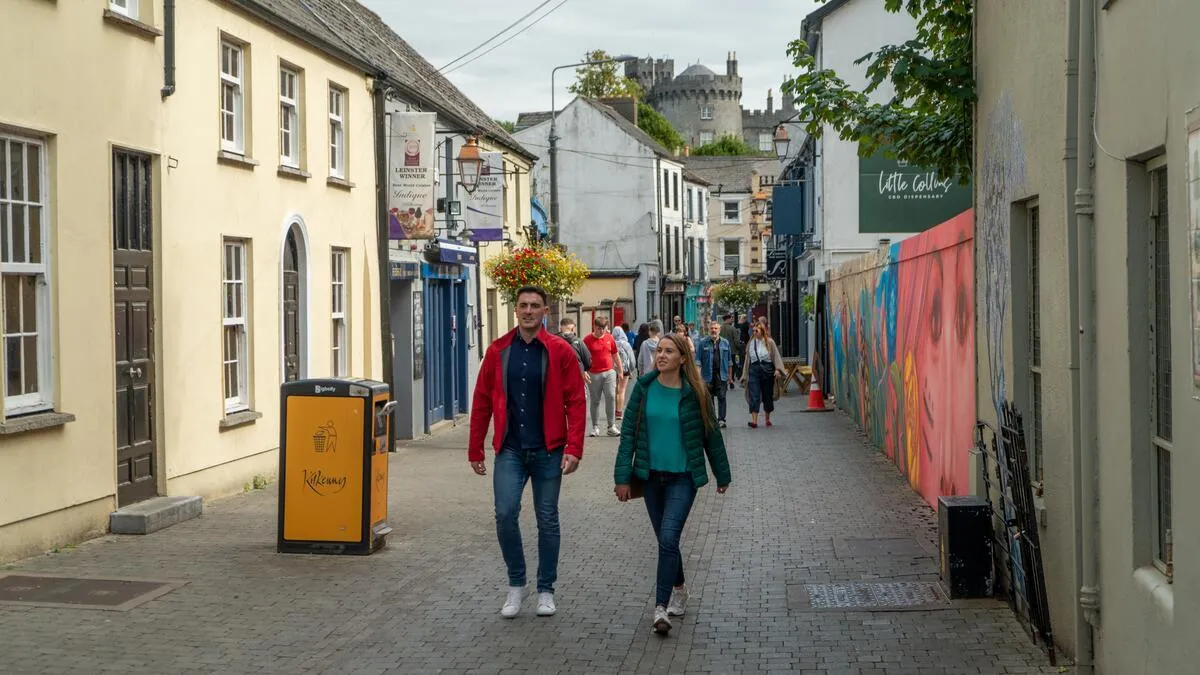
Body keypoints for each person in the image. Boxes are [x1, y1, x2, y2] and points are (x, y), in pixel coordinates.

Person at [469, 286, 587, 619]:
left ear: (545, 311)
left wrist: (574, 447)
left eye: (535, 306)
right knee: (505, 514)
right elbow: (481, 401)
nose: (529, 311)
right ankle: (516, 583)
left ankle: (546, 589)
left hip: (548, 450)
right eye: (523, 305)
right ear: (516, 310)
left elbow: (576, 401)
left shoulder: (560, 351)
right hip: (510, 450)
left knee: (547, 520)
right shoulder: (498, 351)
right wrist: (475, 447)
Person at [614, 333, 732, 635]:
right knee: (667, 541)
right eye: (659, 351)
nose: (661, 356)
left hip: (683, 478)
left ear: (682, 358)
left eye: (669, 351)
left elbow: (710, 436)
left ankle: (660, 607)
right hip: (650, 477)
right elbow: (628, 434)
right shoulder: (643, 388)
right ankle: (679, 587)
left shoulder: (696, 393)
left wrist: (722, 474)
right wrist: (621, 478)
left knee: (668, 538)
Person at [740, 322, 786, 428]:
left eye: (757, 330)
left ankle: (767, 419)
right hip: (754, 370)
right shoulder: (751, 343)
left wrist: (778, 370)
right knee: (754, 395)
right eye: (753, 331)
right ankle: (754, 421)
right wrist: (744, 375)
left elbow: (776, 357)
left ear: (762, 331)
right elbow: (748, 360)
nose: (754, 333)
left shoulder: (770, 342)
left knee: (767, 396)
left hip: (767, 371)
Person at [583, 316, 622, 437]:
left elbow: (615, 355)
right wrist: (584, 372)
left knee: (610, 397)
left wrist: (620, 370)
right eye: (599, 328)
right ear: (594, 327)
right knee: (595, 400)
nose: (601, 331)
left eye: (603, 328)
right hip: (593, 373)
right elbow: (583, 357)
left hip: (609, 372)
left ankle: (611, 426)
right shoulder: (587, 340)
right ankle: (595, 427)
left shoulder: (610, 338)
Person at [696, 321, 733, 428]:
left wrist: (730, 376)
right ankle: (712, 420)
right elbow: (698, 361)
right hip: (707, 375)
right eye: (712, 328)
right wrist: (698, 377)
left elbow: (730, 361)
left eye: (716, 328)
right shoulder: (703, 343)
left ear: (719, 330)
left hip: (722, 375)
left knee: (722, 397)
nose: (713, 330)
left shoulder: (725, 343)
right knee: (709, 399)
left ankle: (721, 419)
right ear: (709, 330)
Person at [613, 327, 637, 421]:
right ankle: (619, 412)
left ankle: (614, 410)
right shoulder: (626, 344)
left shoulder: (612, 343)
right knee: (622, 391)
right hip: (625, 370)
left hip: (613, 369)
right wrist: (631, 369)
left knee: (615, 391)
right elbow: (631, 359)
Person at [720, 314, 742, 387]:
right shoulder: (732, 329)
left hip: (721, 350)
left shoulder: (720, 328)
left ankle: (723, 380)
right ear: (728, 319)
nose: (732, 320)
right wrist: (739, 348)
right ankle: (731, 380)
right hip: (731, 350)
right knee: (731, 365)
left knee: (723, 365)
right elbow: (736, 340)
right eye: (731, 318)